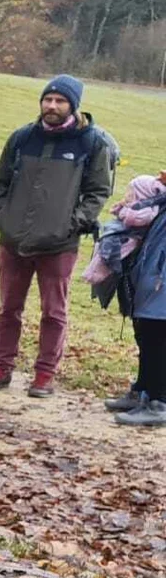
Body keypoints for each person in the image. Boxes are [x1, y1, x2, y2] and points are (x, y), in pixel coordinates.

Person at [0, 75, 117, 397]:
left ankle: (44, 374)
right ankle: (2, 367)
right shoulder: (22, 138)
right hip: (14, 240)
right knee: (8, 308)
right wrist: (1, 213)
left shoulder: (90, 143)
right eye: (48, 99)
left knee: (54, 312)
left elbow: (98, 191)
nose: (51, 106)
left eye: (60, 101)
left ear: (73, 106)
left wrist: (75, 222)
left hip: (58, 244)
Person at [114, 179, 166, 427]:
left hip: (161, 279)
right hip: (152, 272)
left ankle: (159, 402)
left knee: (157, 336)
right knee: (146, 332)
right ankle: (143, 390)